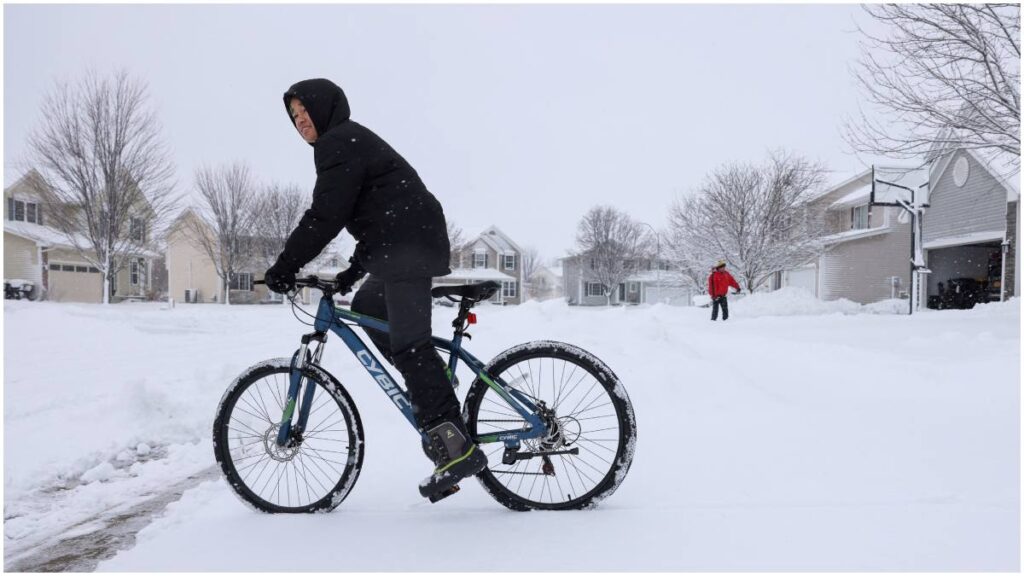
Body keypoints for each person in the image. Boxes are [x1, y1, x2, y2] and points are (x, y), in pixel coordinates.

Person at [262, 78, 486, 500]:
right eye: (293, 117)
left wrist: (286, 264)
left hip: (410, 246)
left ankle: (456, 445)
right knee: (367, 304)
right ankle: (431, 384)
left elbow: (325, 216)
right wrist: (350, 273)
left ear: (325, 107)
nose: (300, 121)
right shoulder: (347, 142)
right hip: (404, 241)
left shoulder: (338, 142)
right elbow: (380, 215)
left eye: (305, 111)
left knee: (409, 346)